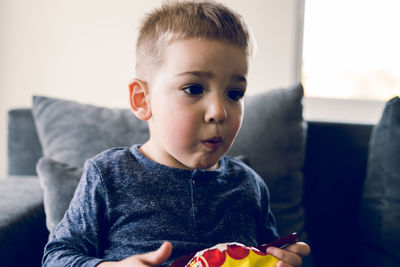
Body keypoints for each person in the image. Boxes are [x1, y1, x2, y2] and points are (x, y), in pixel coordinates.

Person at [42, 1, 310, 266]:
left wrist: (283, 261)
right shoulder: (108, 176)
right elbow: (56, 257)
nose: (219, 111)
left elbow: (269, 254)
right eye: (193, 89)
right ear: (142, 100)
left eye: (234, 93)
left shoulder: (248, 185)